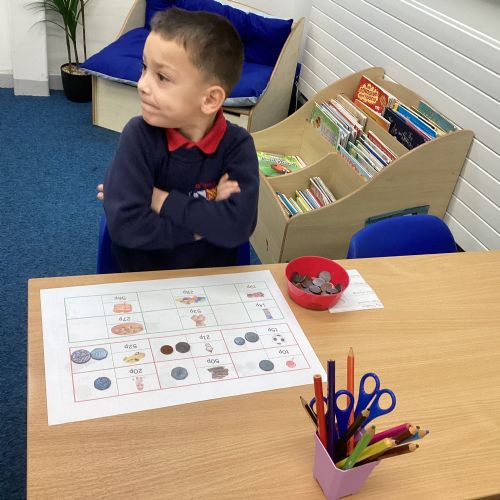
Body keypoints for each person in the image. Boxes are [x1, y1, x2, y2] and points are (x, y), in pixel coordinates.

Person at [98, 7, 259, 272]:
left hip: (210, 278)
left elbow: (237, 227)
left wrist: (158, 199)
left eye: (162, 77)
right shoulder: (137, 136)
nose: (142, 85)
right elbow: (127, 226)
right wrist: (205, 225)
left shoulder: (238, 145)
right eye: (144, 68)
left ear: (210, 99)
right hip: (142, 277)